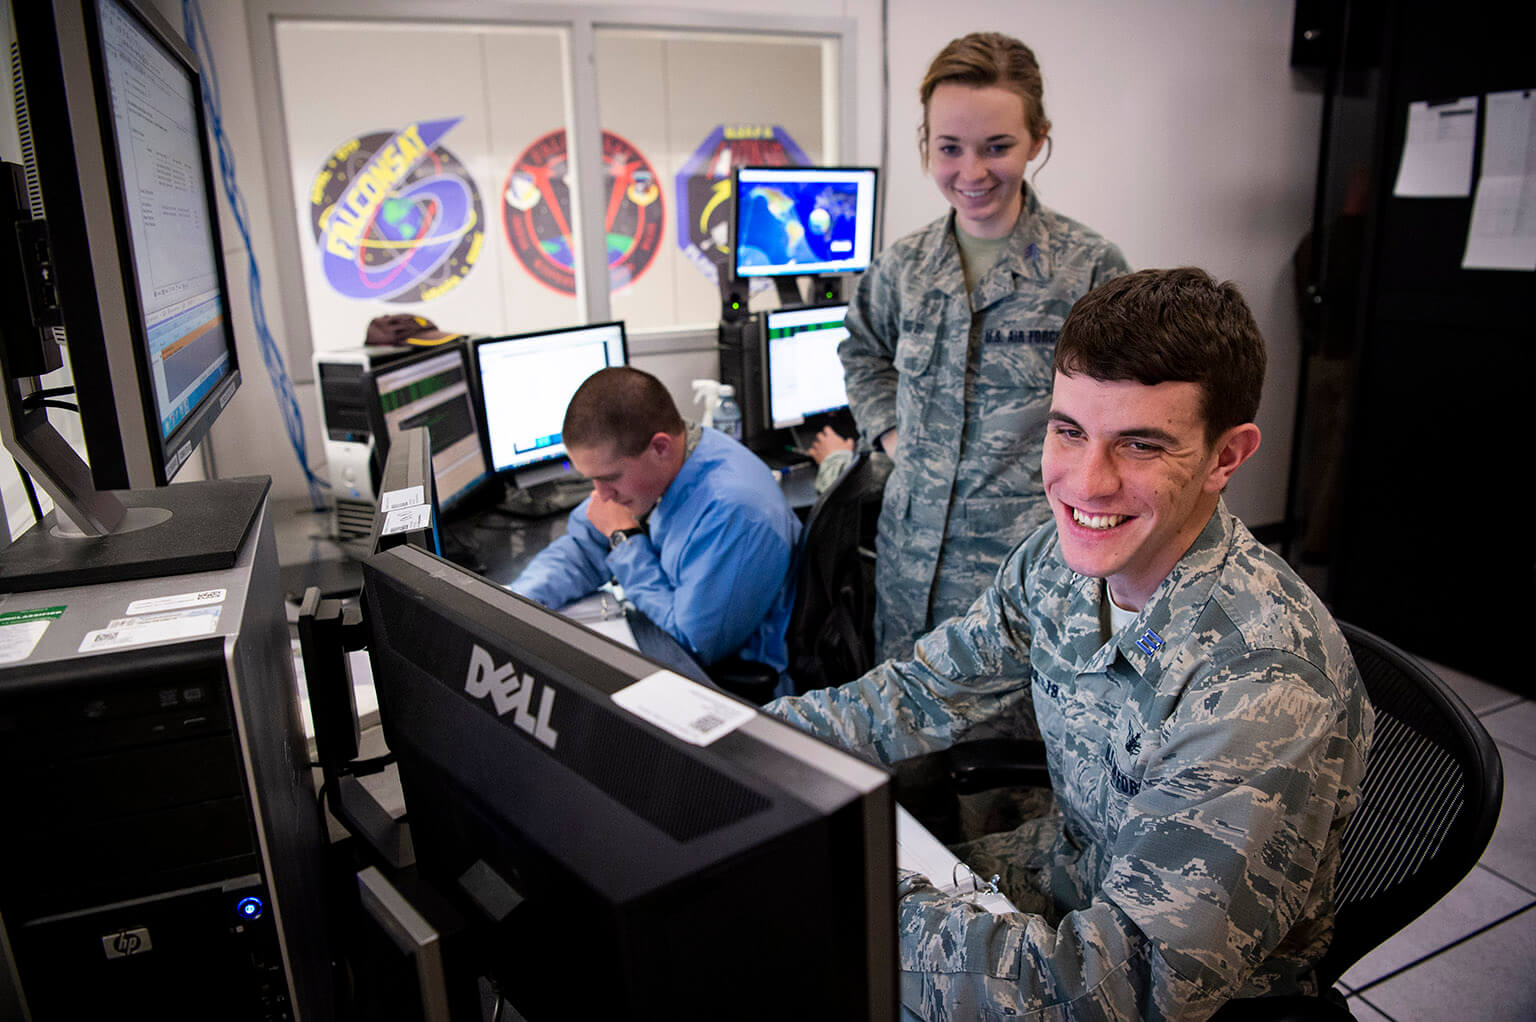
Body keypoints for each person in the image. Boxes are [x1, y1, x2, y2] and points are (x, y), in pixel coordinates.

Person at [768, 268, 1374, 1020]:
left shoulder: (1261, 682)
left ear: (1226, 457)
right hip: (1065, 876)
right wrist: (750, 746)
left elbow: (1113, 993)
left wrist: (848, 895)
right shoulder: (1057, 563)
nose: (1087, 483)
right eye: (1069, 431)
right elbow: (922, 689)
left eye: (1141, 445)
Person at [842, 31, 1131, 662]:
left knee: (1012, 756)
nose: (971, 173)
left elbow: (1128, 414)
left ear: (1037, 139)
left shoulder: (1086, 269)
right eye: (949, 148)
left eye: (997, 147)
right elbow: (860, 351)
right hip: (908, 573)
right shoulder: (903, 268)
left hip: (1029, 577)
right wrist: (891, 432)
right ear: (926, 144)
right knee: (902, 737)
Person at [510, 367, 801, 683]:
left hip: (718, 681)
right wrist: (516, 606)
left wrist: (626, 539)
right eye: (591, 479)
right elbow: (584, 547)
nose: (601, 494)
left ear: (660, 447)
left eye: (608, 478)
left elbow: (694, 644)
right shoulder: (659, 469)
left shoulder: (735, 511)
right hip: (658, 631)